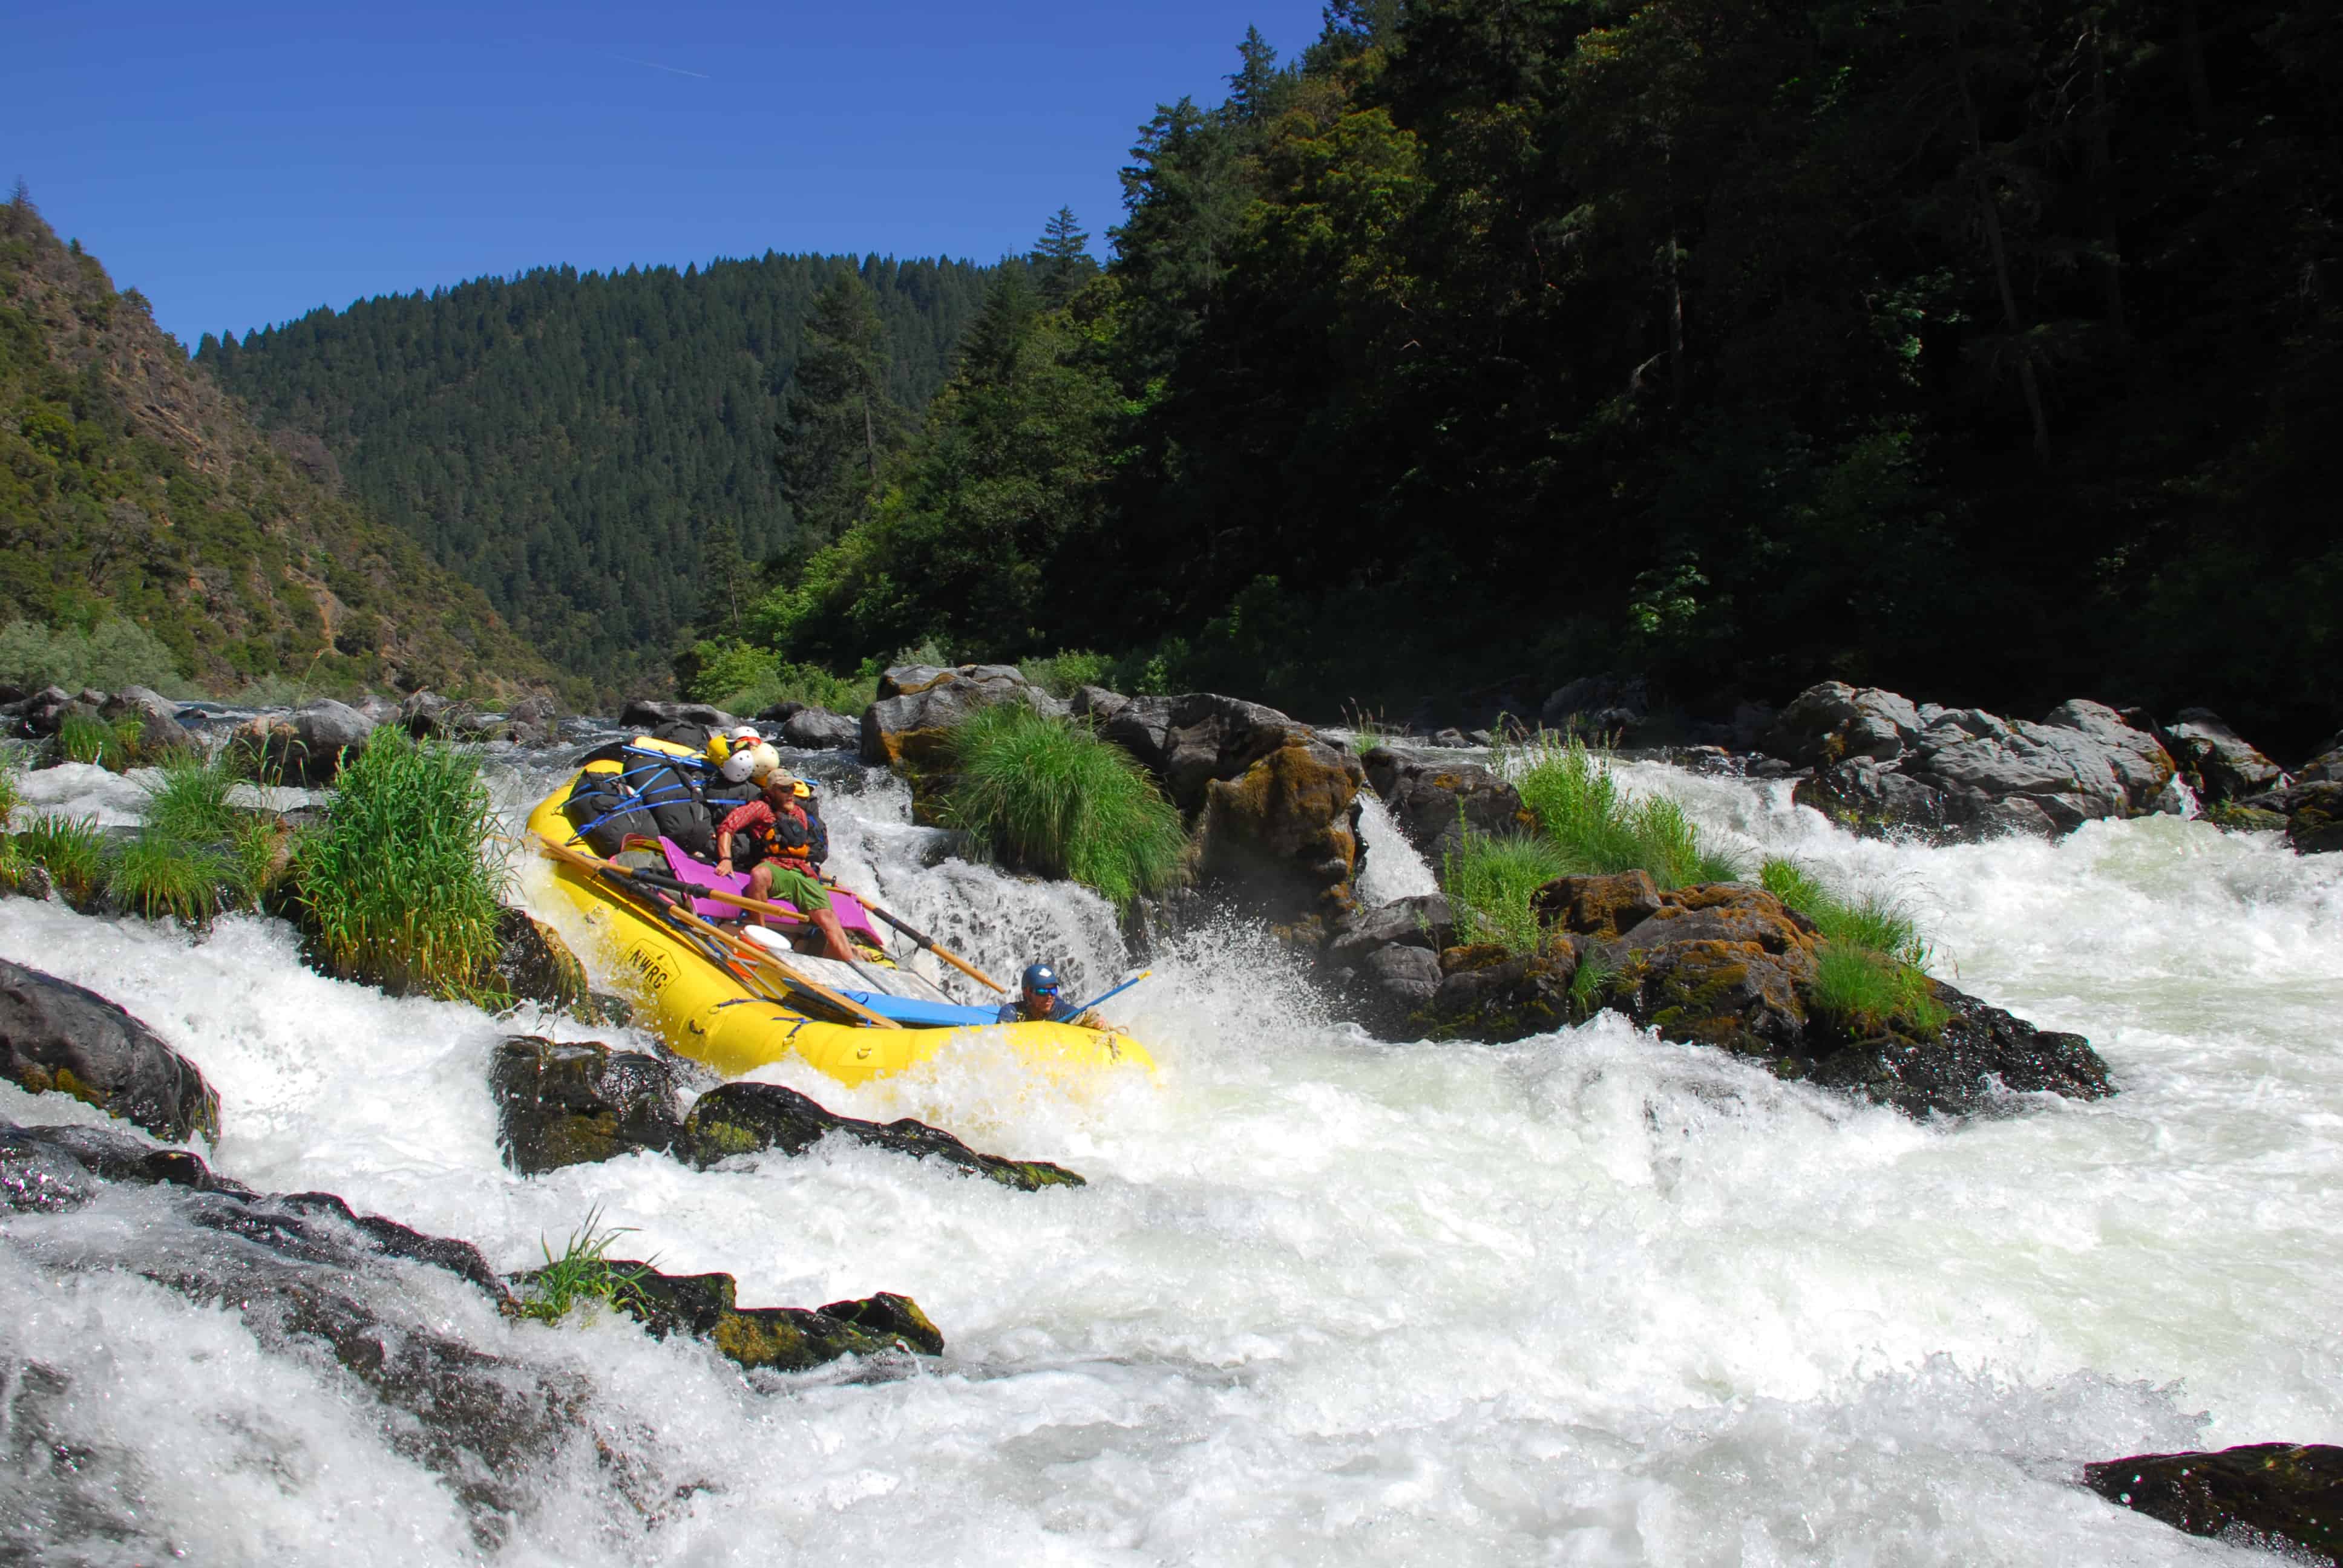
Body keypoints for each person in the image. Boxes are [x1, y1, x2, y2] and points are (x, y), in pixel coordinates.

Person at [714, 768, 856, 961]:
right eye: (785, 789)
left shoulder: (800, 814)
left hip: (801, 872)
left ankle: (854, 964)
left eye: (792, 788)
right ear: (771, 791)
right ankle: (760, 937)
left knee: (828, 918)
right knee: (759, 874)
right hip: (775, 868)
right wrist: (726, 859)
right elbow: (728, 827)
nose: (791, 794)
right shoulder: (760, 809)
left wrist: (822, 875)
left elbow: (801, 850)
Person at [996, 962, 1092, 1025]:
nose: (1049, 996)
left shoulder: (1063, 1012)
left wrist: (1094, 1020)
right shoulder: (1013, 1011)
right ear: (1027, 992)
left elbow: (1084, 1017)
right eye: (1042, 991)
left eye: (1053, 990)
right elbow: (1002, 1032)